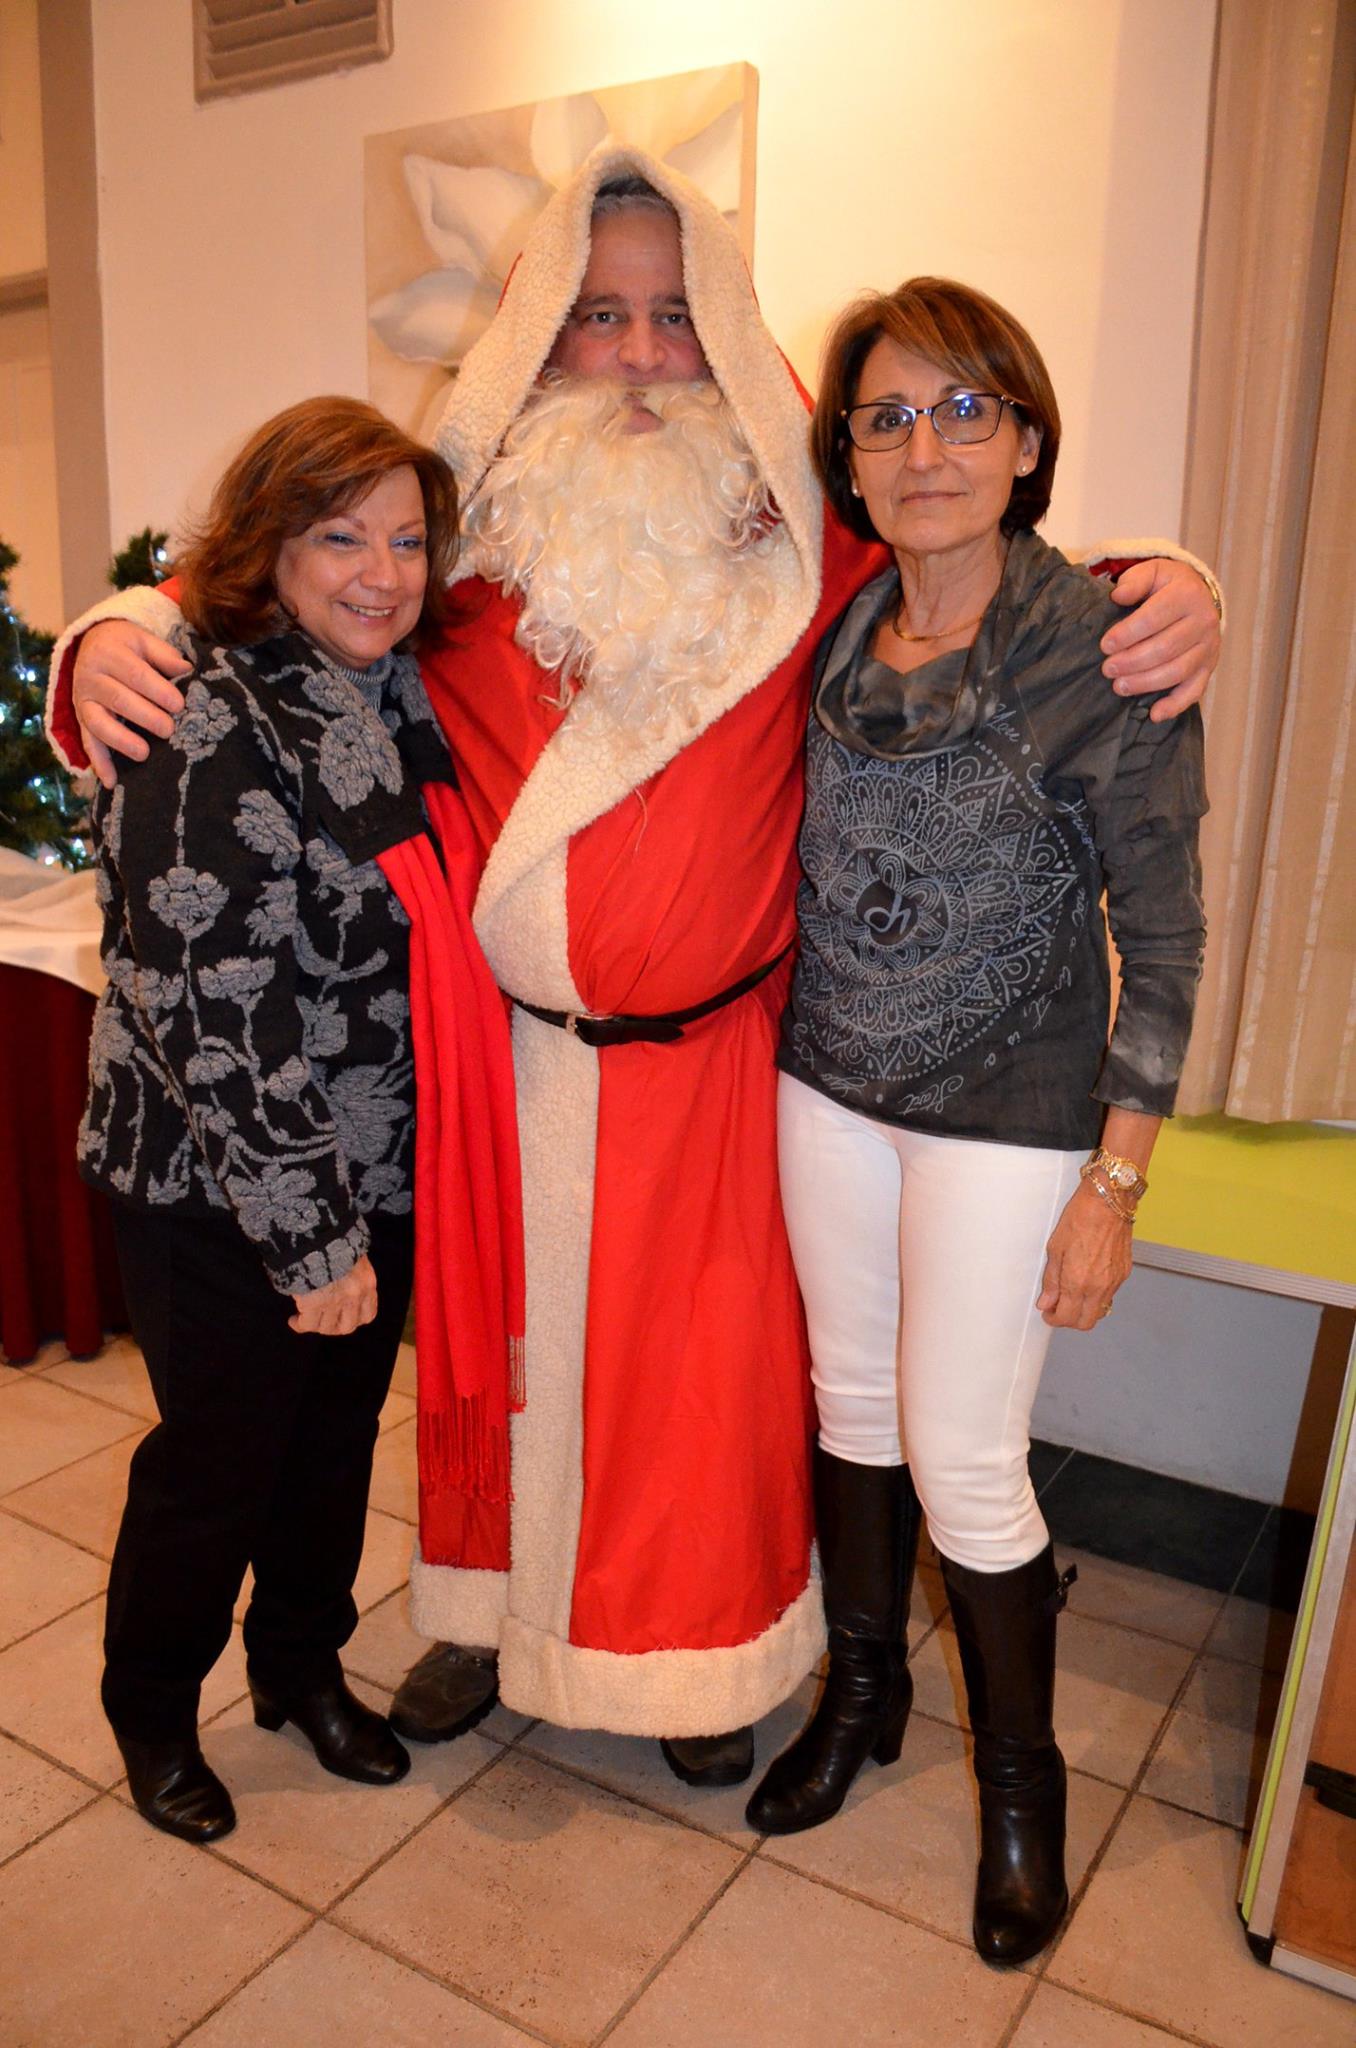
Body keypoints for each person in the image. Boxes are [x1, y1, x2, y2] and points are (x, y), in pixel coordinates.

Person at [47, 148, 1221, 1790]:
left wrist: (1174, 579)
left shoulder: (813, 551)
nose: (643, 355)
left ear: (730, 334)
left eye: (677, 316)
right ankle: (492, 1622)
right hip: (498, 1068)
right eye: (599, 316)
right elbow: (263, 592)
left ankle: (695, 1656)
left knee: (701, 1397)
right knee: (504, 1384)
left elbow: (994, 566)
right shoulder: (455, 553)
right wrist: (110, 629)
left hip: (720, 1066)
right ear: (537, 333)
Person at [742, 278, 1205, 1965]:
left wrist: (1115, 1184)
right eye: (887, 417)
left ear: (1024, 440)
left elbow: (1168, 937)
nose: (923, 448)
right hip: (827, 1088)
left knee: (964, 1452)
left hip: (1011, 1121)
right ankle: (863, 1697)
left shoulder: (1106, 644)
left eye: (963, 410)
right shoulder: (838, 620)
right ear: (848, 460)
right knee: (851, 1411)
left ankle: (1023, 1788)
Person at [77, 396, 521, 1844]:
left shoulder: (397, 696)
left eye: (408, 540)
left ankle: (300, 1670)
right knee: (217, 1468)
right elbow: (215, 1007)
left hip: (374, 1157)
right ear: (267, 541)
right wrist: (311, 1238)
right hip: (219, 1183)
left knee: (329, 1454)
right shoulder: (201, 710)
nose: (382, 573)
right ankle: (153, 1712)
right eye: (341, 537)